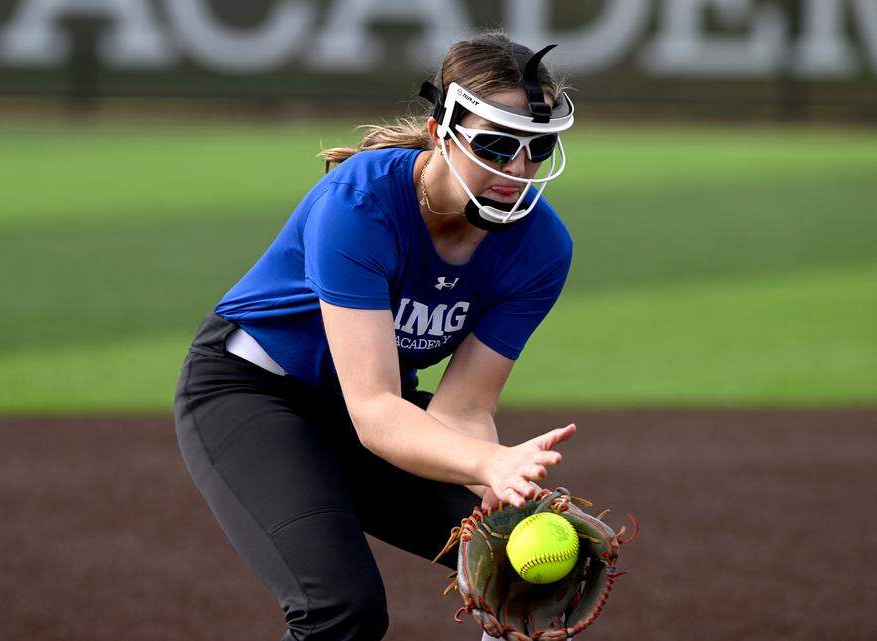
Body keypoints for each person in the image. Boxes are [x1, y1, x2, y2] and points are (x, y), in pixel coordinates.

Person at [174, 31, 579, 641]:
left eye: (537, 150)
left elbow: (464, 408)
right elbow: (375, 414)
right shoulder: (360, 204)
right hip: (253, 394)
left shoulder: (541, 246)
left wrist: (506, 488)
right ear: (443, 131)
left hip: (369, 407)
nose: (517, 171)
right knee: (340, 611)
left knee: (527, 573)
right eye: (497, 146)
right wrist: (490, 463)